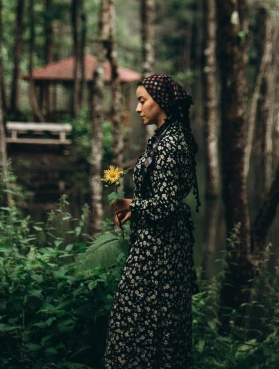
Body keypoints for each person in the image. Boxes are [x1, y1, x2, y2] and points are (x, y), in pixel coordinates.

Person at [104, 73, 201, 369]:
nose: (137, 108)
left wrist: (129, 203)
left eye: (143, 101)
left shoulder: (171, 142)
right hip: (153, 245)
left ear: (161, 102)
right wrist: (138, 210)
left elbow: (167, 204)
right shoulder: (164, 136)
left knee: (145, 321)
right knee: (142, 319)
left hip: (160, 252)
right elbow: (161, 197)